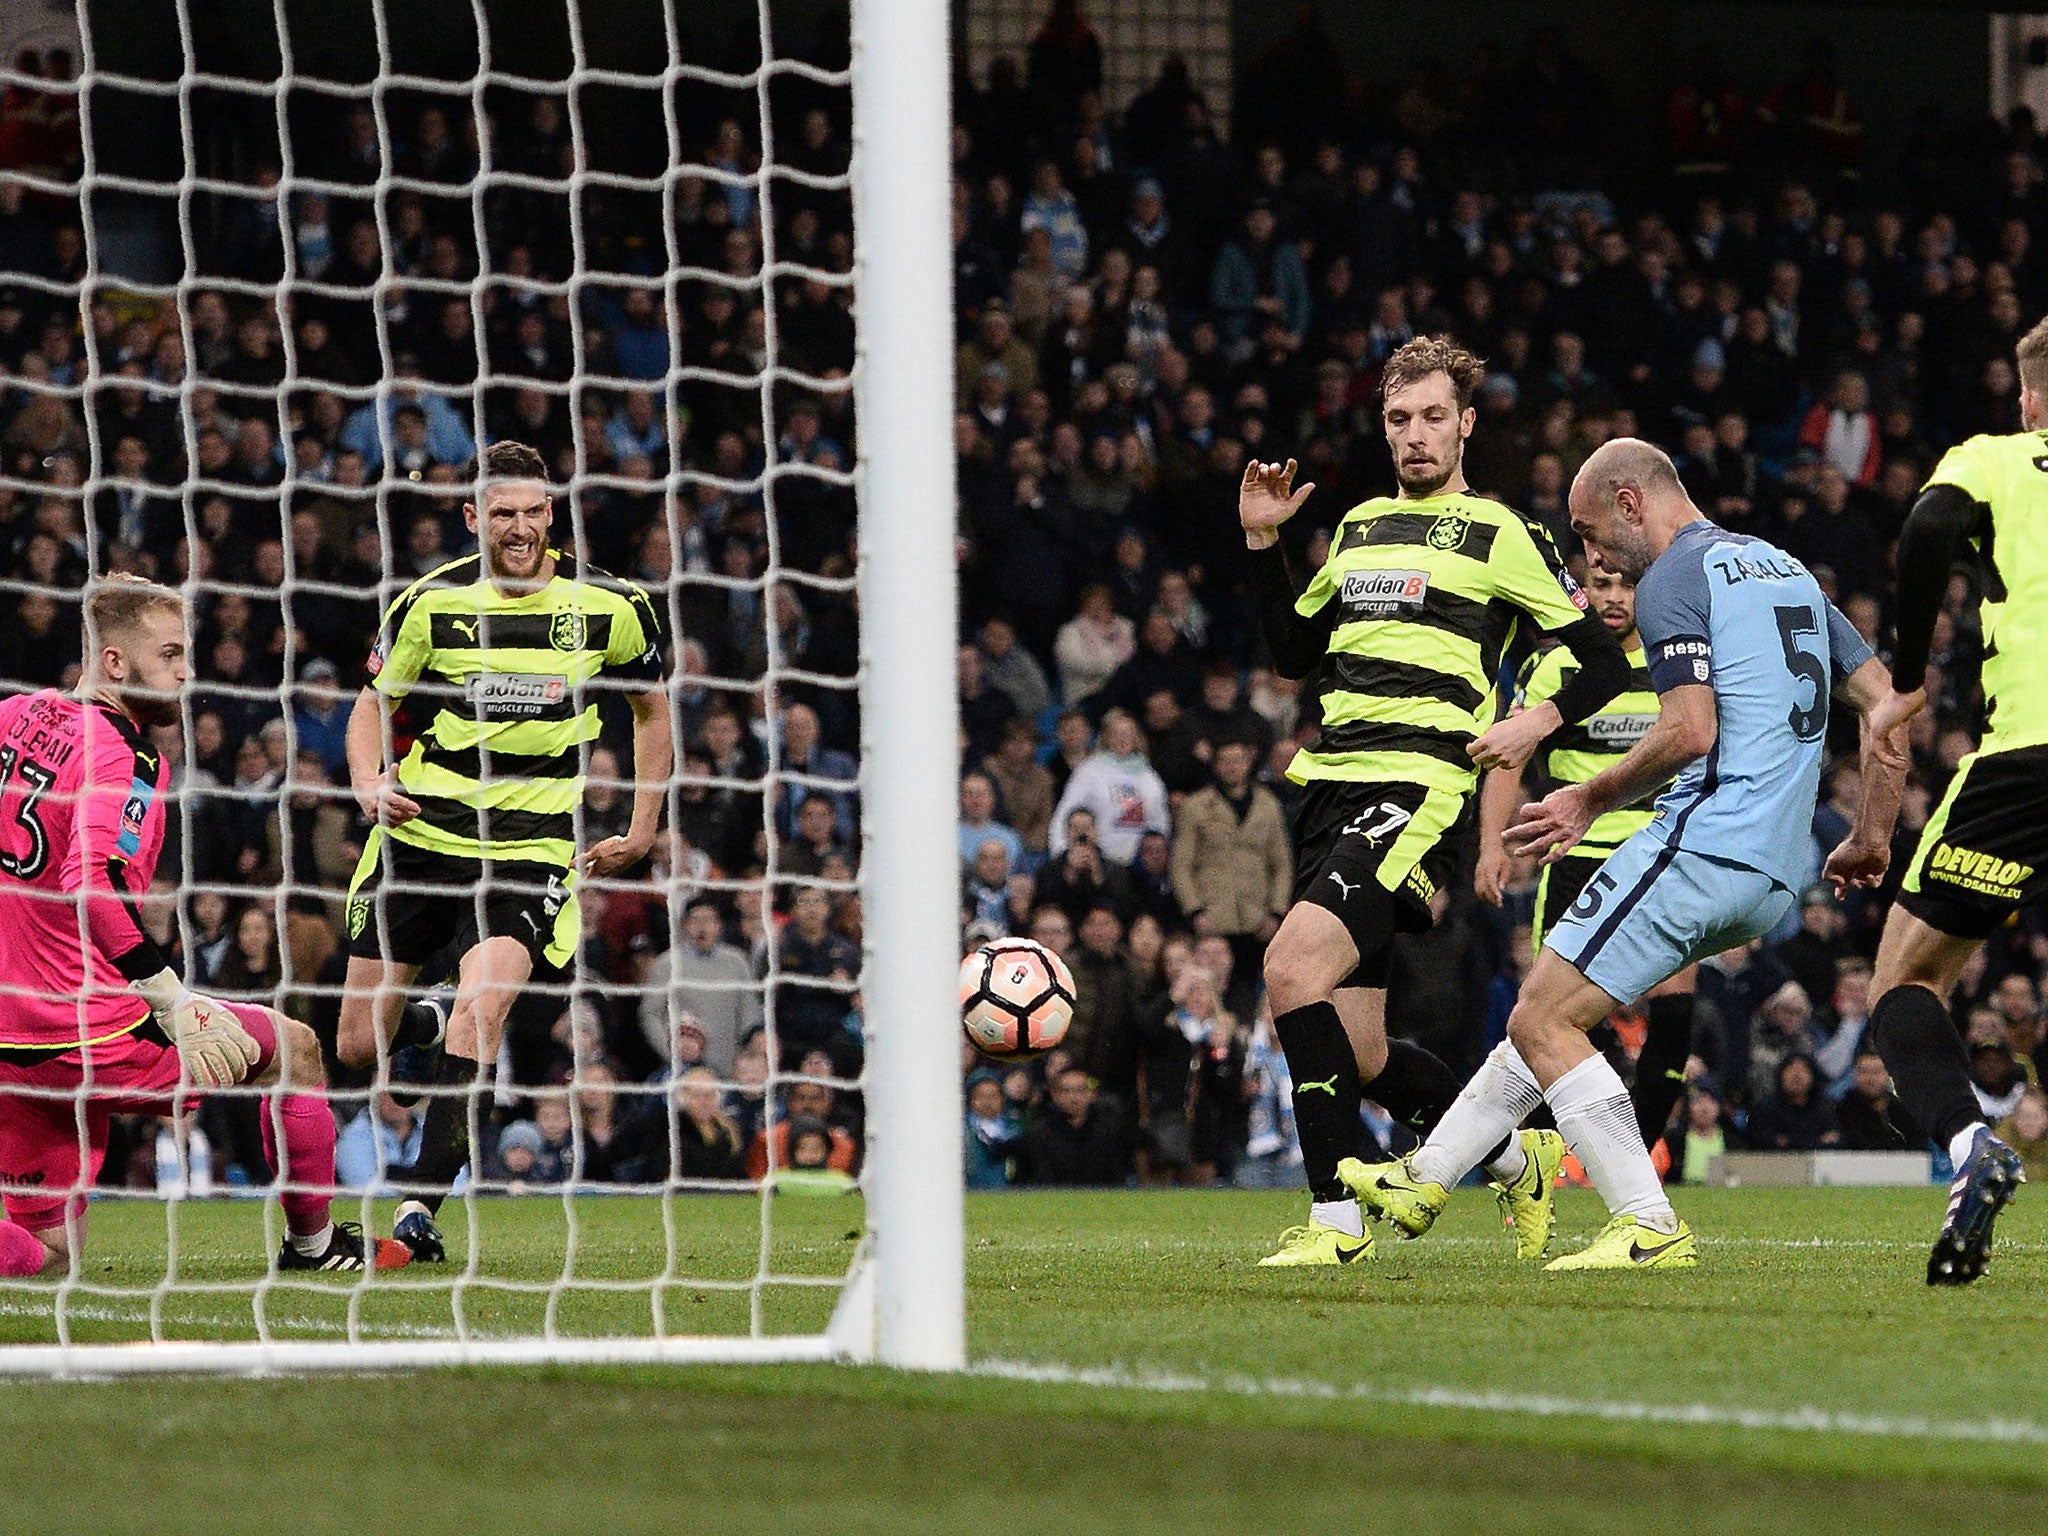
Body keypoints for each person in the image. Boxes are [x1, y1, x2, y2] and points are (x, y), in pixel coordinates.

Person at [1346, 437, 1905, 1270]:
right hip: (1775, 870)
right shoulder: (1783, 570)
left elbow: (1689, 728)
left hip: (1702, 840)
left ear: (1630, 501)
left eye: (1591, 531)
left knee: (1540, 1018)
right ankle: (1427, 1176)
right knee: (1549, 1004)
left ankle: (1648, 1220)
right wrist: (1870, 835)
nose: (1592, 556)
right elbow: (1888, 708)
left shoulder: (1677, 574)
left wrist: (1587, 795)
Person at [1238, 336, 1633, 1266]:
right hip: (1330, 785)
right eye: (1396, 420)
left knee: (1291, 971)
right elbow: (1294, 654)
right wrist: (1263, 542)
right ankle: (1510, 1156)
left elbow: (1603, 659)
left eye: (1429, 418)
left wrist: (1537, 722)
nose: (1413, 436)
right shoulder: (1360, 525)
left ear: (1465, 423)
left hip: (1417, 788)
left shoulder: (1502, 532)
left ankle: (1335, 1223)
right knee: (1363, 1052)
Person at [0, 575, 406, 1274]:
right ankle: (314, 1246)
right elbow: (89, 886)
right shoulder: (123, 759)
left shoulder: (13, 715)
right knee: (294, 1049)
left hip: (10, 1034)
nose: (187, 672)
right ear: (115, 663)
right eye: (169, 655)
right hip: (88, 1026)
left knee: (54, 1259)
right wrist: (174, 1000)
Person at [337, 439, 673, 1263]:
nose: (518, 528)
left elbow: (653, 712)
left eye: (532, 512)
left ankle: (419, 1206)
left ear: (552, 513)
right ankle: (422, 1016)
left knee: (483, 1008)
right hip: (419, 836)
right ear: (472, 517)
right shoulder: (430, 602)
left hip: (529, 848)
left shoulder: (612, 605)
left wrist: (643, 824)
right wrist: (366, 781)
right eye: (501, 513)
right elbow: (369, 706)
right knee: (354, 1044)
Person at [1849, 315, 2048, 1283]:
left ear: (2028, 399)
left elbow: (1927, 526)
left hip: (2028, 760)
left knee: (1904, 984)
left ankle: (1972, 1147)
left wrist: (1906, 674)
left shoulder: (1999, 457)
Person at [1476, 561, 1697, 1151]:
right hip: (1572, 857)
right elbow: (1509, 757)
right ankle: (1569, 1157)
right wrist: (1490, 847)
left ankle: (1636, 1158)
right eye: (1602, 585)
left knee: (1675, 1016)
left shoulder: (1678, 660)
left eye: (1627, 585)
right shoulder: (1554, 662)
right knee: (1555, 1019)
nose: (1615, 597)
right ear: (1581, 592)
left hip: (1660, 853)